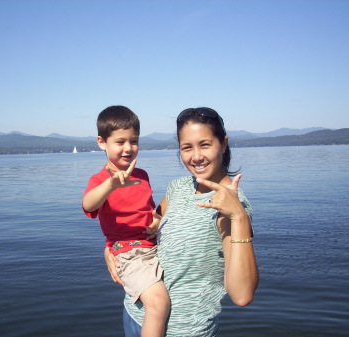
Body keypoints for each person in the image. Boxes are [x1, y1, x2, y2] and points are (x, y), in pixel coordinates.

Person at [105, 107, 259, 336]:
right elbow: (142, 227)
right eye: (187, 147)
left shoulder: (231, 207)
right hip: (137, 314)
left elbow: (242, 295)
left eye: (205, 144)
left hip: (184, 330)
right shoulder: (178, 188)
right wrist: (112, 247)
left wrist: (238, 217)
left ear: (223, 144)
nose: (196, 156)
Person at [82, 105, 170, 337]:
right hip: (130, 252)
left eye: (134, 141)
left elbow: (148, 210)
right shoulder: (100, 180)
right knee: (159, 303)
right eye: (120, 142)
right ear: (102, 142)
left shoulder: (142, 175)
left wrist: (157, 220)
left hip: (155, 245)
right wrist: (111, 185)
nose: (128, 148)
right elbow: (88, 205)